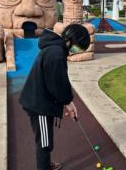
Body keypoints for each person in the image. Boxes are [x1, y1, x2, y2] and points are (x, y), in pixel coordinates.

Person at [19, 24, 91, 170]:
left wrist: (68, 102)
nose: (76, 51)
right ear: (71, 40)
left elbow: (60, 80)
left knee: (45, 140)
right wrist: (68, 102)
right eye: (78, 46)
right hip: (39, 105)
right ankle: (44, 166)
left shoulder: (56, 49)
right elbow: (57, 85)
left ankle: (45, 163)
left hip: (41, 100)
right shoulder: (56, 53)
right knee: (44, 143)